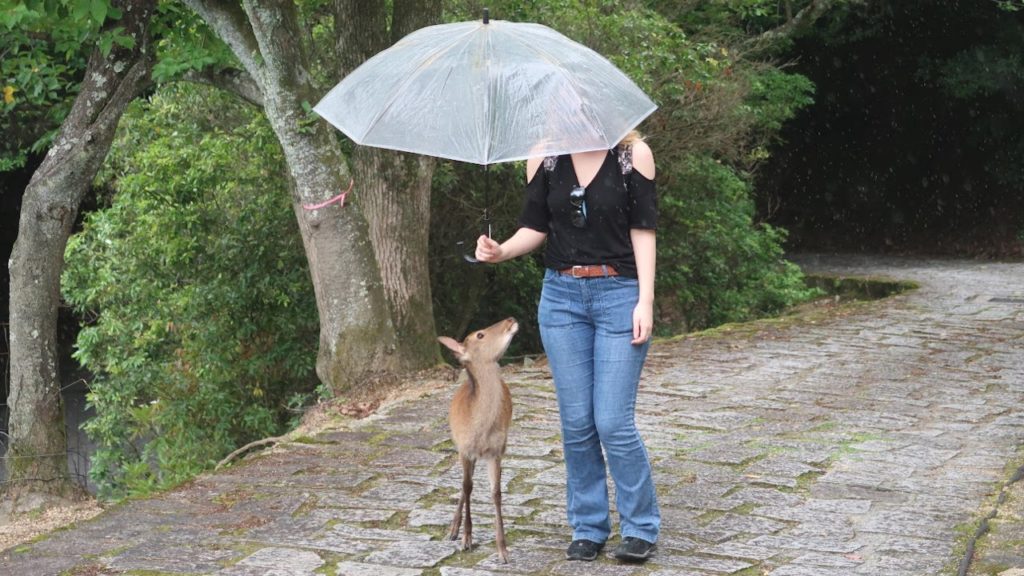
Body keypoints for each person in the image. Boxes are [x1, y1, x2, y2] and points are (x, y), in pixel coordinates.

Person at [475, 130, 660, 562]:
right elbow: (535, 227)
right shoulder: (545, 156)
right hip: (561, 300)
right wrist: (500, 251)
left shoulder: (634, 156)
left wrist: (645, 300)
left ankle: (640, 527)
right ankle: (589, 526)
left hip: (619, 294)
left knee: (613, 422)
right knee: (577, 423)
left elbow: (643, 230)